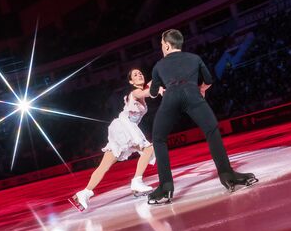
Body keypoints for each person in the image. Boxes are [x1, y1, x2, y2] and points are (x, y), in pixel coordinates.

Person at [148, 29, 257, 204]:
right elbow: (208, 80)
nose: (162, 48)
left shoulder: (159, 65)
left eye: (161, 45)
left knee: (159, 139)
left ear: (167, 45)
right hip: (193, 94)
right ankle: (227, 175)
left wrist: (160, 89)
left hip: (171, 97)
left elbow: (153, 93)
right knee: (212, 131)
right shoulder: (194, 58)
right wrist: (201, 90)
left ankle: (165, 187)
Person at [69, 68, 162, 212]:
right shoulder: (135, 93)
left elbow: (152, 83)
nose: (139, 75)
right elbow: (147, 92)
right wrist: (158, 89)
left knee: (104, 165)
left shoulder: (141, 90)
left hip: (121, 128)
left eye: (140, 73)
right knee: (149, 148)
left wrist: (161, 75)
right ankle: (137, 182)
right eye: (135, 75)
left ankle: (84, 193)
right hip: (125, 128)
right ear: (131, 81)